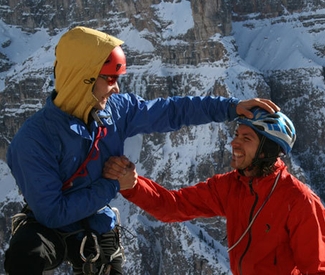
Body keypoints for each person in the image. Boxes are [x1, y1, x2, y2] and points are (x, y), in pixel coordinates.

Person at [4, 26, 280, 275]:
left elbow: (170, 112)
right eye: (110, 79)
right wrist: (111, 184)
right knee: (23, 258)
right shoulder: (34, 140)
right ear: (83, 79)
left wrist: (230, 107)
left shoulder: (115, 111)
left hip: (95, 225)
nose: (116, 88)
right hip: (50, 226)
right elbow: (52, 213)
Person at [104, 108, 325, 275]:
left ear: (267, 151)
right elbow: (173, 206)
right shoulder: (230, 186)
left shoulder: (299, 200)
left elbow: (318, 270)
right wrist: (132, 185)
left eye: (246, 138)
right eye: (236, 135)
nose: (235, 143)